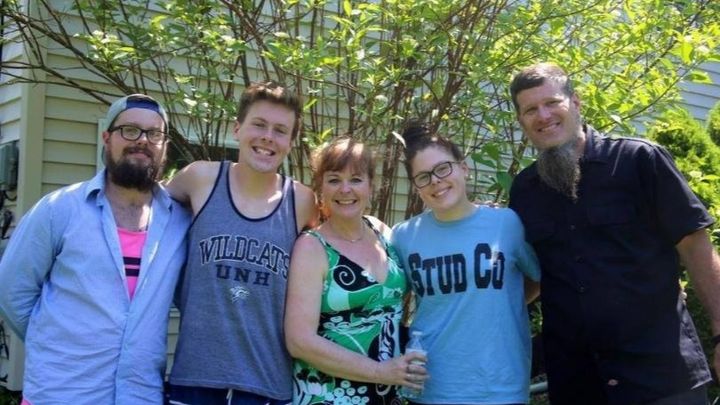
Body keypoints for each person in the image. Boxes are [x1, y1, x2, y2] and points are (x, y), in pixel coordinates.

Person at [508, 62, 720, 405]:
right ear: (521, 121)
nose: (543, 116)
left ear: (576, 102)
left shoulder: (639, 160)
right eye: (530, 110)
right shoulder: (524, 190)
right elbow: (536, 276)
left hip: (660, 376)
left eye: (552, 102)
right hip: (579, 382)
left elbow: (696, 247)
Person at [0, 94, 191, 404]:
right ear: (107, 137)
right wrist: (53, 344)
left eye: (154, 133)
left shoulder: (179, 222)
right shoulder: (59, 209)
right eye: (130, 130)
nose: (142, 140)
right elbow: (12, 290)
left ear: (164, 145)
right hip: (61, 394)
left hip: (140, 395)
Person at [165, 81, 318, 405]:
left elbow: (337, 242)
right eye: (259, 124)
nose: (268, 137)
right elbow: (144, 211)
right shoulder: (200, 180)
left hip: (266, 385)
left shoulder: (302, 201)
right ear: (237, 129)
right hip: (195, 378)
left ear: (290, 143)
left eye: (280, 130)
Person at [391, 122, 541, 404]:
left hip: (499, 385)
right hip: (432, 386)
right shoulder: (404, 236)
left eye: (443, 168)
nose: (435, 181)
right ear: (416, 186)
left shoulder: (506, 224)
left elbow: (537, 277)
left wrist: (500, 305)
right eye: (423, 176)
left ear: (463, 168)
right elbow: (387, 301)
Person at [284, 136, 428, 404]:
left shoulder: (381, 231)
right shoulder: (312, 248)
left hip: (388, 395)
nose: (345, 189)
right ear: (321, 187)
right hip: (330, 397)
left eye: (356, 179)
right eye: (334, 180)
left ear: (371, 186)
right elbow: (299, 341)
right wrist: (380, 372)